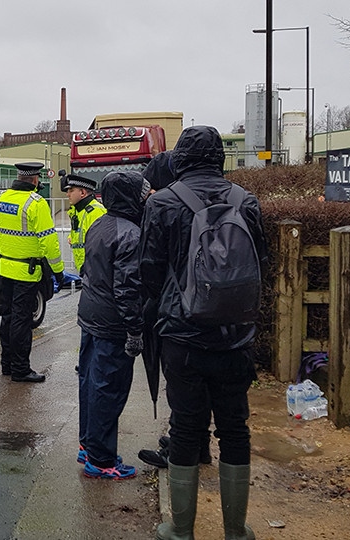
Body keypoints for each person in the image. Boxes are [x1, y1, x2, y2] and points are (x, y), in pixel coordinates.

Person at [139, 126, 267, 540]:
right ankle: (235, 530)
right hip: (235, 335)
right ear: (220, 159)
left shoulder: (162, 203)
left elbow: (149, 272)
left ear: (181, 159)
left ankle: (182, 529)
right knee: (234, 427)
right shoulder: (246, 202)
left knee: (186, 427)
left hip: (182, 336)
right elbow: (261, 264)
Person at [137, 150, 213, 470]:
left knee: (181, 386)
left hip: (179, 312)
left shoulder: (164, 206)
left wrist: (158, 302)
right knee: (205, 386)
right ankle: (198, 444)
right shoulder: (230, 198)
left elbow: (150, 268)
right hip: (221, 310)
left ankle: (183, 448)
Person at [75, 170, 149, 480]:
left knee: (90, 382)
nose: (145, 198)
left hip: (90, 316)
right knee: (109, 389)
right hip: (112, 324)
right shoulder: (130, 233)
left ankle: (89, 446)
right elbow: (127, 288)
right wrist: (134, 329)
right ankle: (102, 459)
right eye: (142, 193)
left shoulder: (99, 224)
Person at [0, 162, 64, 383]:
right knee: (21, 321)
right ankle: (21, 369)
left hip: (6, 267)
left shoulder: (4, 198)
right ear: (35, 179)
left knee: (7, 318)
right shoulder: (36, 203)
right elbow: (49, 242)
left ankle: (7, 364)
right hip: (27, 271)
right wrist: (59, 271)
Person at [63, 174, 106, 272]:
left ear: (82, 193)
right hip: (86, 269)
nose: (67, 194)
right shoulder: (77, 210)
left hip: (96, 269)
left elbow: (101, 245)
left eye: (71, 191)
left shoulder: (95, 212)